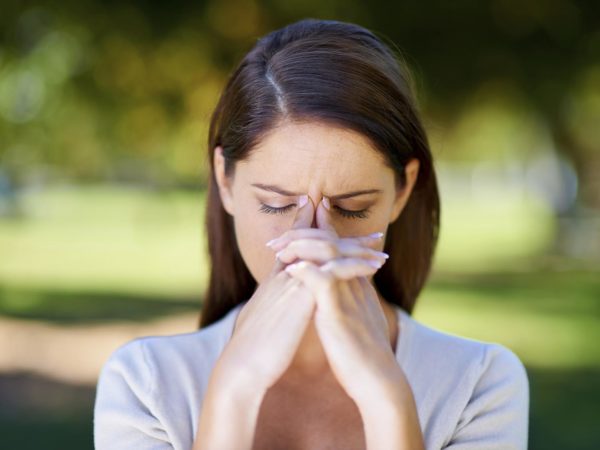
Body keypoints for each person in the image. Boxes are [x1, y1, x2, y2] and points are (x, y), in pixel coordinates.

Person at [93, 18, 529, 450]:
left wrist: (386, 397)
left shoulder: (478, 384)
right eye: (276, 204)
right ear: (225, 182)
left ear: (402, 191)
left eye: (352, 207)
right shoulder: (146, 385)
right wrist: (234, 390)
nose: (313, 243)